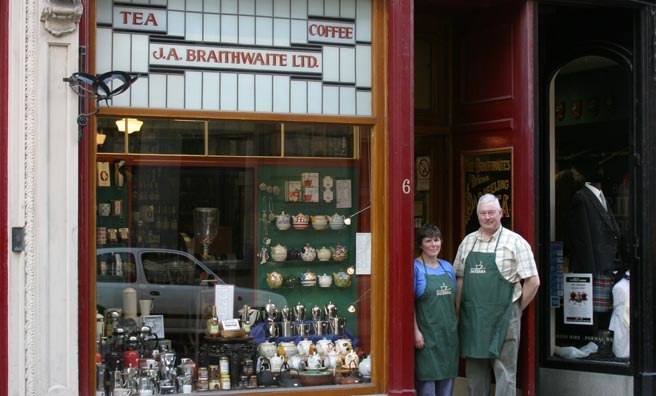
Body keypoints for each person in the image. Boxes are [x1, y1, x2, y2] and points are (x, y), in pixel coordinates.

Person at [454, 194, 540, 396]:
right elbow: (460, 278)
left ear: (501, 213)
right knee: (475, 373)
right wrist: (459, 310)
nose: (487, 217)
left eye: (491, 212)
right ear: (477, 215)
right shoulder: (468, 242)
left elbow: (533, 281)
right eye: (483, 213)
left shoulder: (515, 242)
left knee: (505, 373)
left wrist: (516, 309)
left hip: (504, 318)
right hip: (473, 318)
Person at [414, 224, 459, 396]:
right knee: (427, 386)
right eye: (428, 240)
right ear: (421, 244)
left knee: (447, 383)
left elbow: (454, 300)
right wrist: (415, 332)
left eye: (437, 240)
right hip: (426, 337)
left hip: (448, 336)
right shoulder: (415, 268)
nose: (434, 244)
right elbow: (409, 303)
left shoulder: (448, 267)